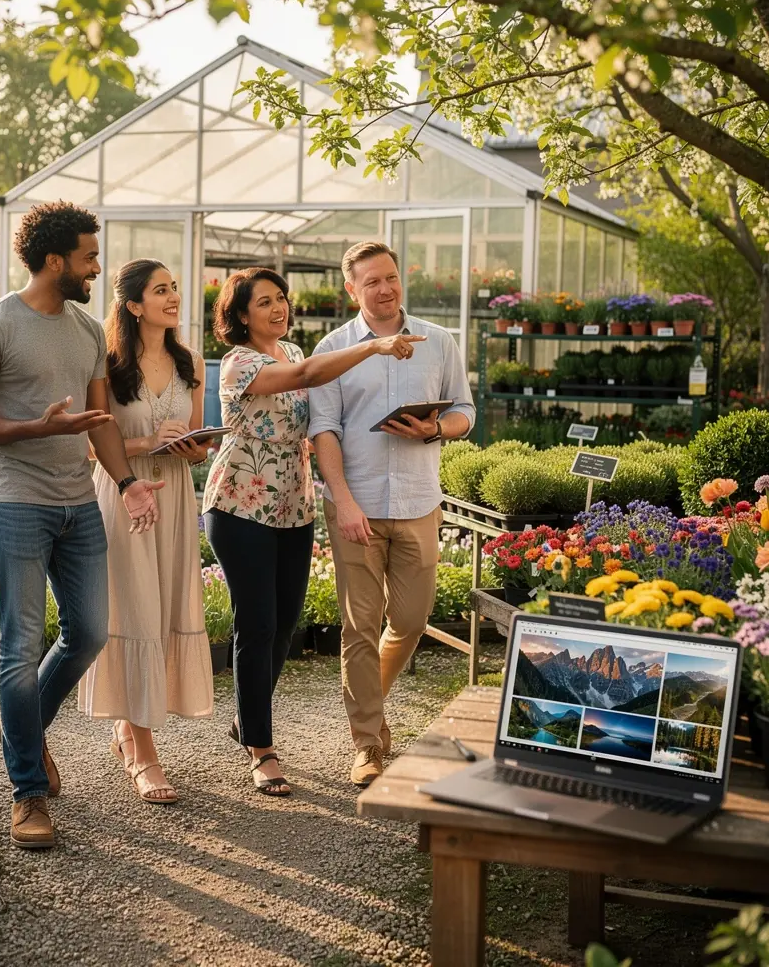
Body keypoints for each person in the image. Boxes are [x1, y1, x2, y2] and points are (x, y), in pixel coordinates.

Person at [0, 201, 163, 849]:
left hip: (77, 503)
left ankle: (19, 726)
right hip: (14, 502)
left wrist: (126, 484)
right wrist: (33, 428)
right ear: (53, 260)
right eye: (89, 256)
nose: (97, 267)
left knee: (90, 632)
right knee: (18, 647)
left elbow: (98, 422)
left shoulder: (85, 329)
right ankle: (28, 794)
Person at [202, 267, 422, 797]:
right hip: (241, 503)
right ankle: (262, 748)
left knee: (284, 624)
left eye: (281, 299)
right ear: (240, 315)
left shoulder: (296, 351)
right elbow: (307, 382)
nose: (278, 309)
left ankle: (245, 718)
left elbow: (320, 402)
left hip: (294, 506)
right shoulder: (239, 363)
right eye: (263, 303)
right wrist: (374, 348)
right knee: (256, 625)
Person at [308, 240, 475, 788]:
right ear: (351, 290)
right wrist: (345, 501)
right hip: (354, 505)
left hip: (418, 500)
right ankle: (367, 742)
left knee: (408, 620)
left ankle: (368, 708)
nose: (384, 289)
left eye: (391, 277)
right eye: (371, 281)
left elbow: (464, 411)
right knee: (360, 625)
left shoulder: (439, 342)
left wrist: (435, 429)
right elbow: (324, 430)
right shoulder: (334, 348)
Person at [78, 258, 213, 805]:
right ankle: (143, 753)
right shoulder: (105, 366)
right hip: (123, 493)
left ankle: (127, 731)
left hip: (177, 496)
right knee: (132, 612)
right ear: (134, 305)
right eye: (162, 290)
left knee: (164, 611)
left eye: (174, 288)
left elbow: (202, 446)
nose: (174, 297)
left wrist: (193, 446)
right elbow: (91, 444)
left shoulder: (192, 363)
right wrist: (144, 444)